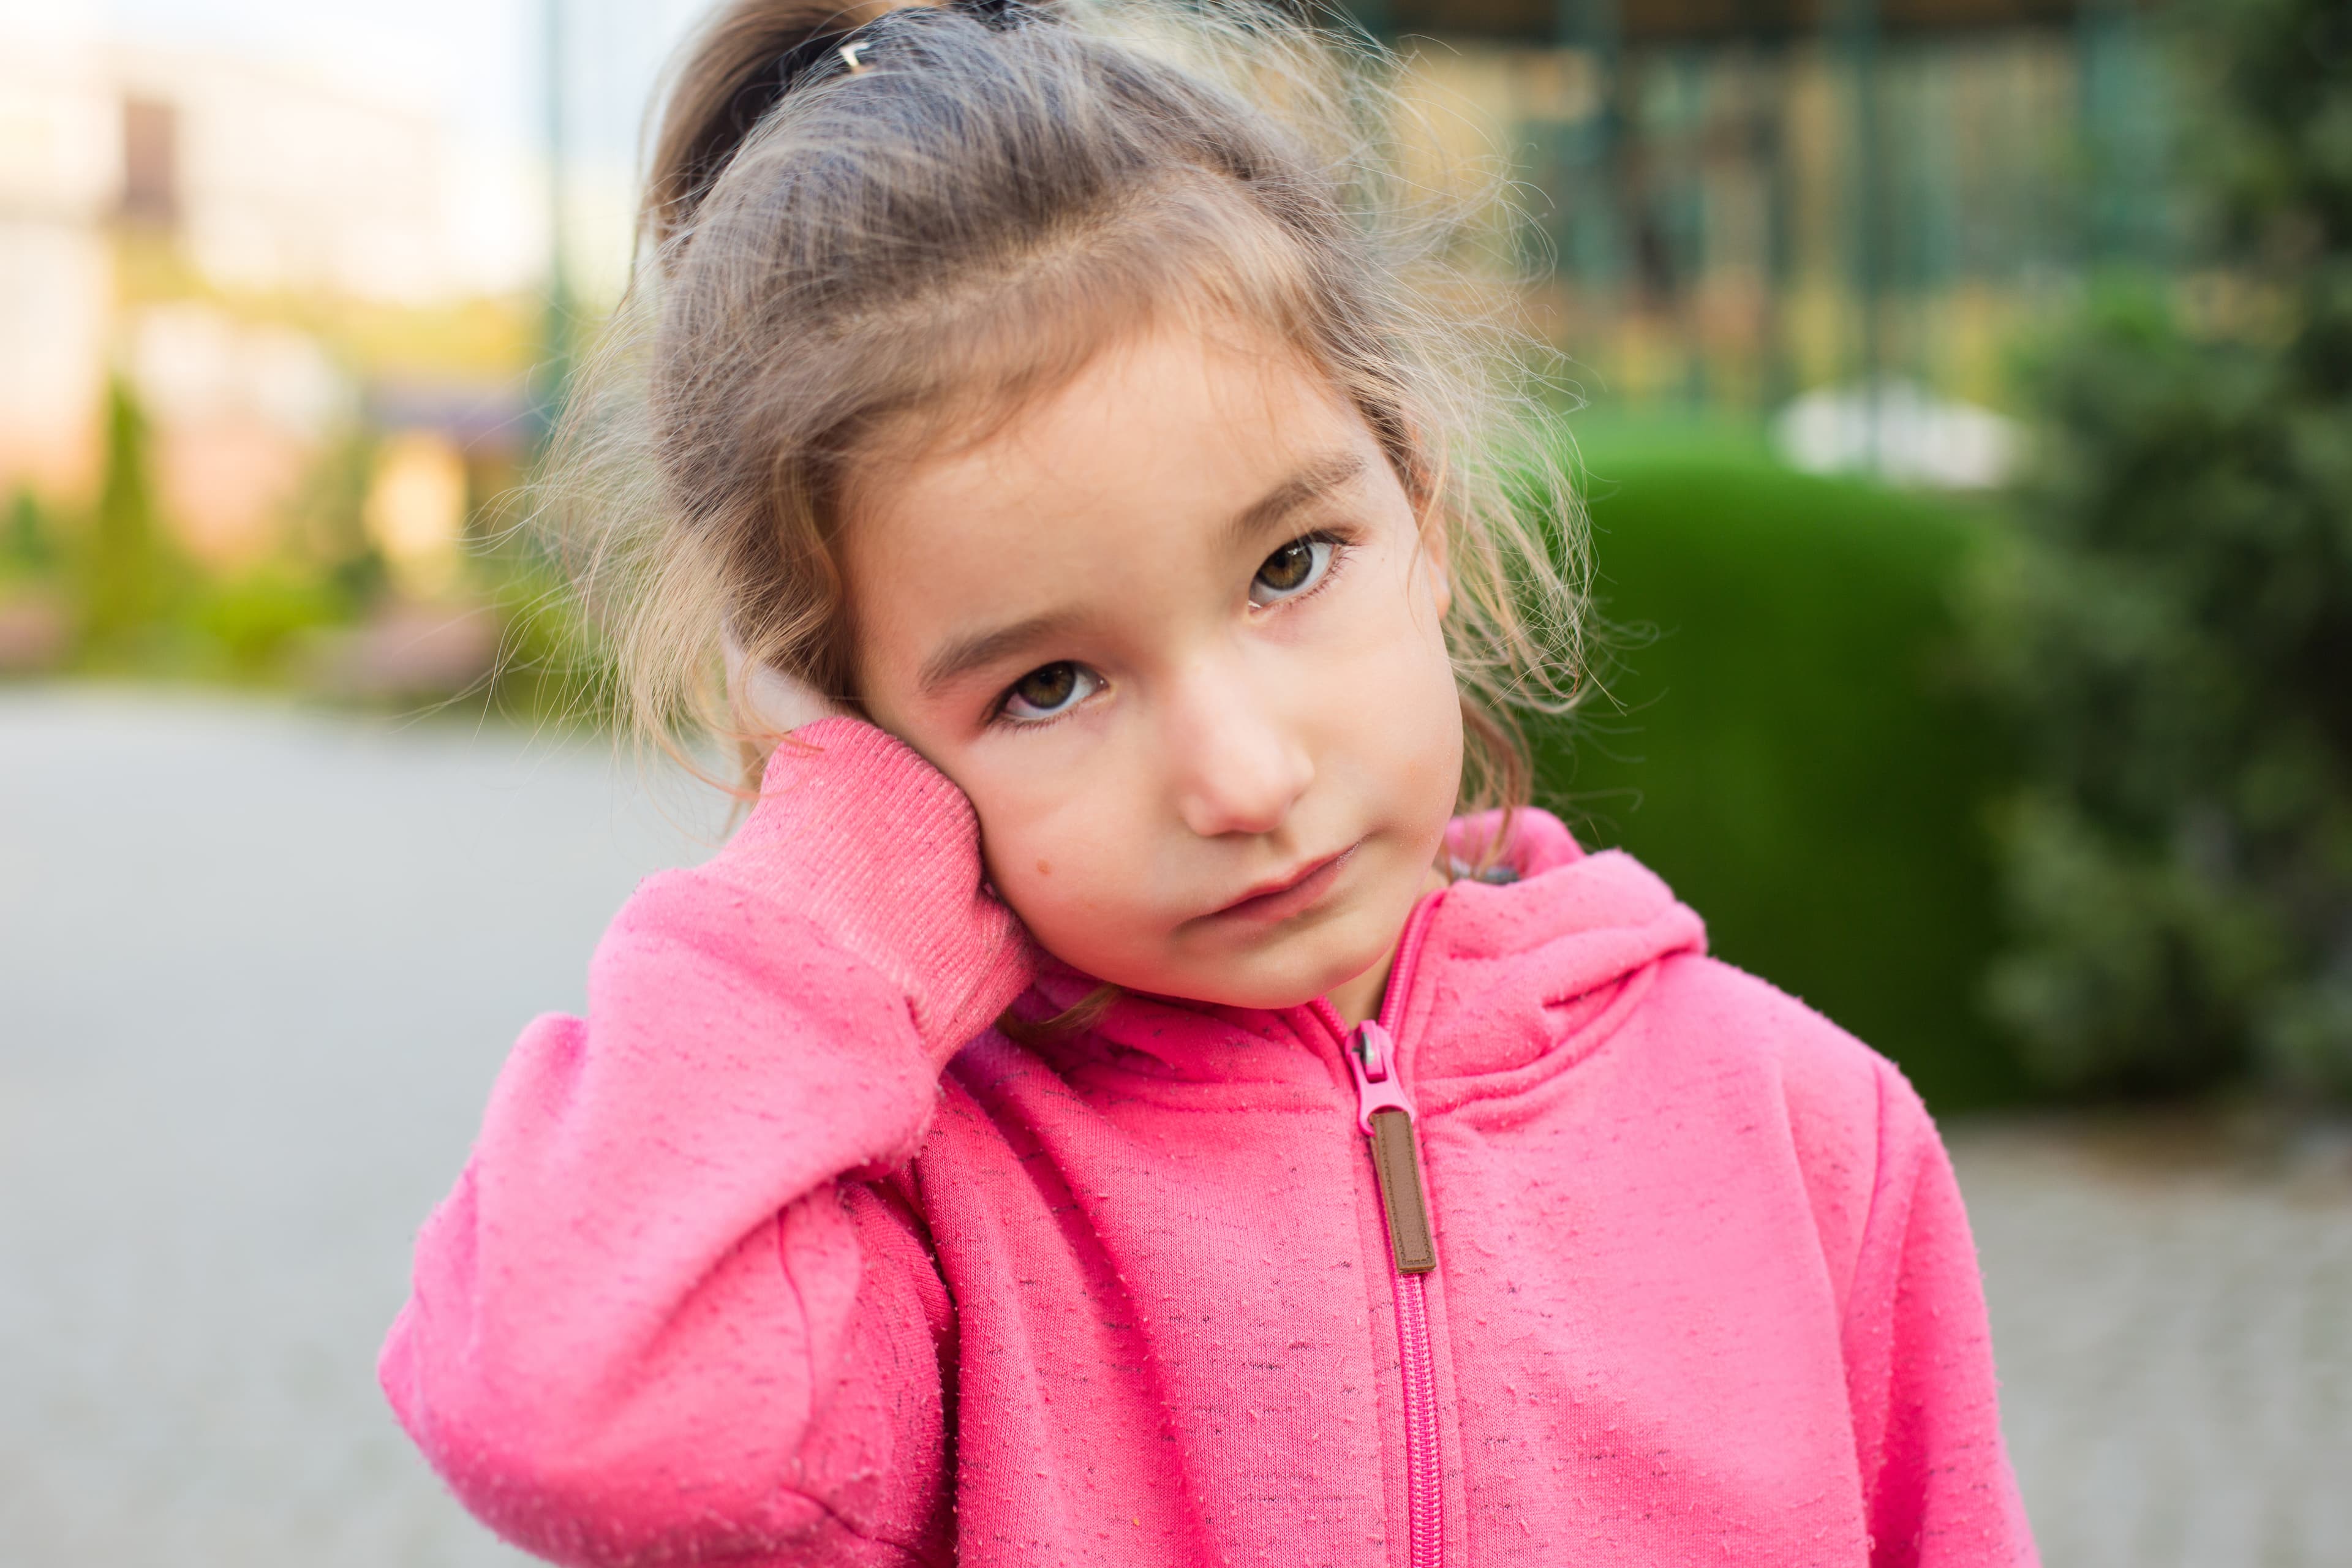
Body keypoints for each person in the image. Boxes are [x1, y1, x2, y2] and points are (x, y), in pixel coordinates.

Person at [380, 2, 2038, 1564]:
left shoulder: (1808, 1130)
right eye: (1047, 686)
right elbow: (569, 1420)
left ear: (1430, 518)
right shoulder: (932, 1228)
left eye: (1291, 566)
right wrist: (834, 862)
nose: (1241, 777)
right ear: (861, 739)